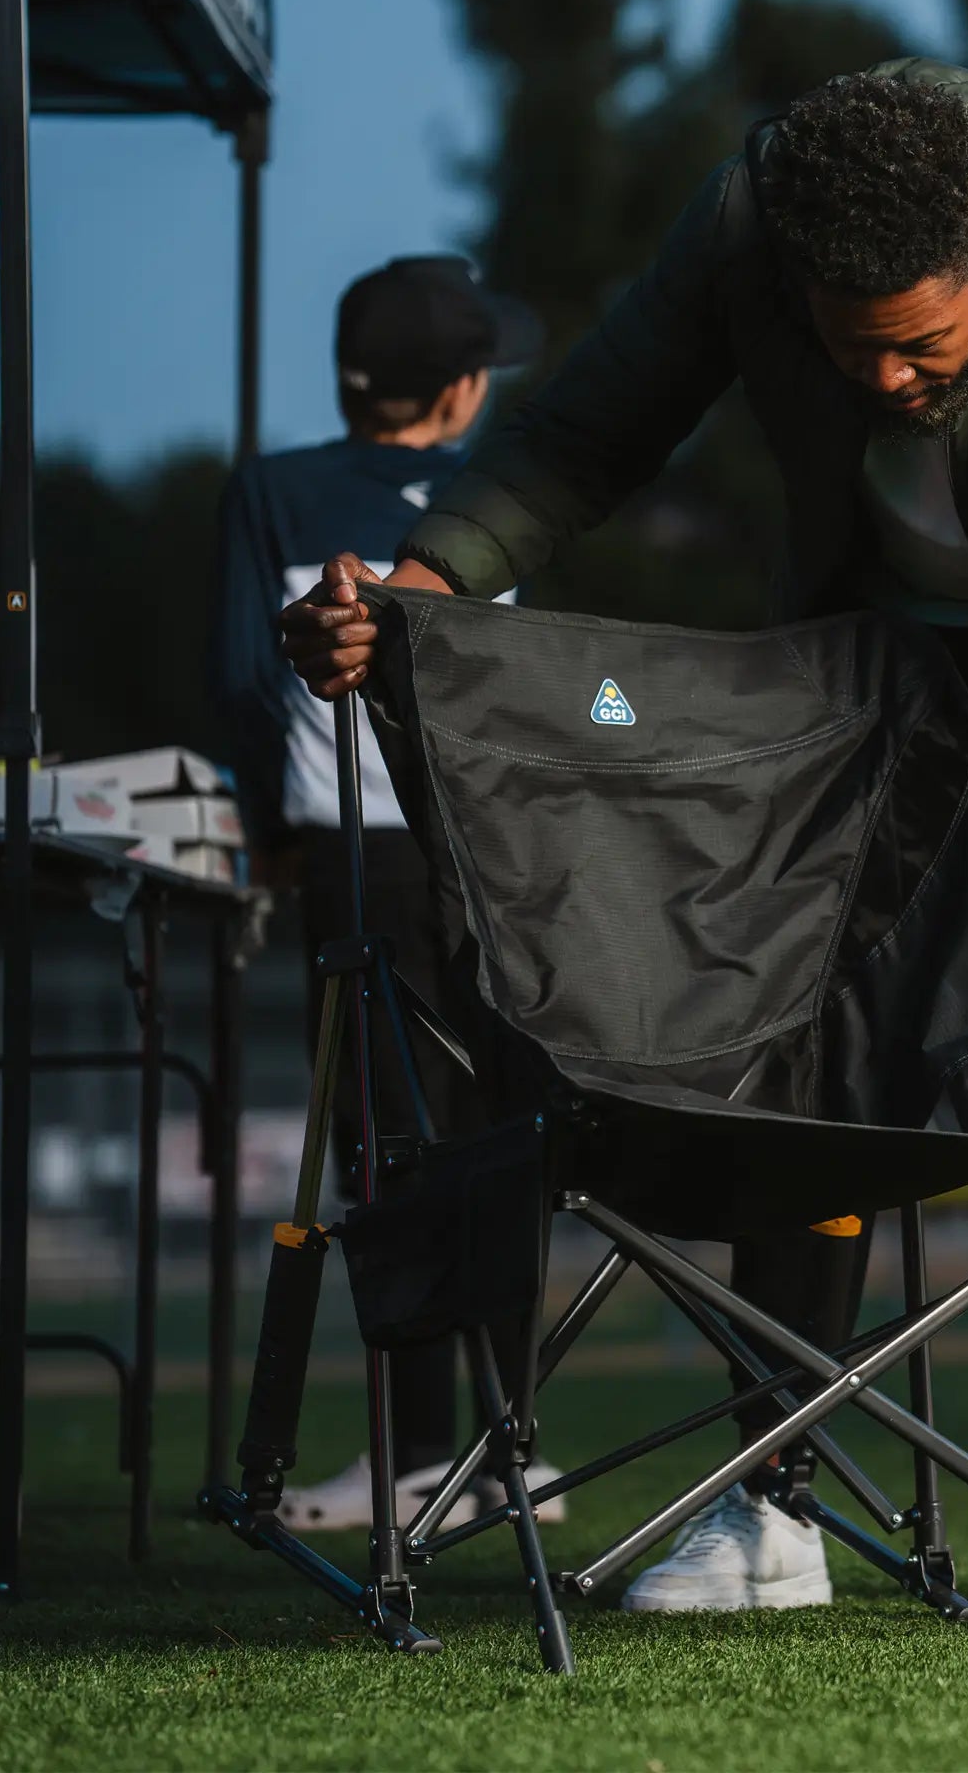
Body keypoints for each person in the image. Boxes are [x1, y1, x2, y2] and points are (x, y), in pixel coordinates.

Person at [278, 63, 968, 1618]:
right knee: (805, 1033)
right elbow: (587, 433)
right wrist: (419, 595)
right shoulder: (748, 234)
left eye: (924, 345)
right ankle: (776, 1504)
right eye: (856, 350)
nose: (892, 383)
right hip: (871, 670)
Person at [211, 253, 561, 1530]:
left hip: (361, 859)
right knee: (507, 1140)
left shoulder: (274, 491)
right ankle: (507, 1447)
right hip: (494, 858)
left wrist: (268, 832)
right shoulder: (493, 497)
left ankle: (419, 1454)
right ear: (461, 389)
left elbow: (248, 679)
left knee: (390, 1152)